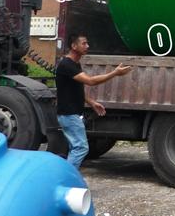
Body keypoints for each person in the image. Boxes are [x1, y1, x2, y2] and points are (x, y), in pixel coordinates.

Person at [55, 33, 132, 168]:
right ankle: (67, 177)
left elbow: (74, 89)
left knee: (75, 148)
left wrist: (91, 102)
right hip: (69, 114)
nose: (87, 46)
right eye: (84, 43)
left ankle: (67, 175)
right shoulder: (67, 64)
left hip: (72, 114)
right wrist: (115, 73)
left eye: (87, 43)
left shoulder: (75, 64)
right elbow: (90, 81)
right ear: (74, 46)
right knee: (81, 148)